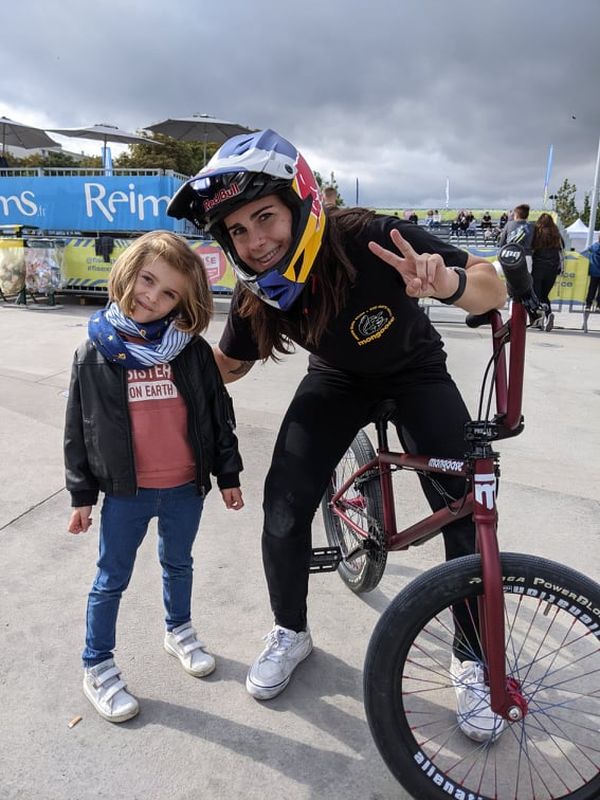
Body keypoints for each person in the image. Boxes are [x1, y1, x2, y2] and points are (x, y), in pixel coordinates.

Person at [167, 129, 507, 742]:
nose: (256, 241)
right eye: (237, 231)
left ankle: (472, 660)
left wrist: (448, 284)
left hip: (416, 371)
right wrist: (158, 369)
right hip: (337, 380)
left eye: (264, 217)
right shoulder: (259, 290)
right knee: (283, 505)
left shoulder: (368, 236)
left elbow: (494, 286)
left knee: (465, 511)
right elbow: (230, 366)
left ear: (300, 203)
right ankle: (290, 631)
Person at [64, 230, 244, 723]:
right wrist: (81, 494)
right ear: (129, 272)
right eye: (148, 281)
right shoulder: (94, 352)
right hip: (127, 494)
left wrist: (227, 473)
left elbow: (215, 414)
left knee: (179, 563)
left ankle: (179, 630)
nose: (153, 298)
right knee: (110, 580)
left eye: (169, 294)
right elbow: (78, 428)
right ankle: (96, 664)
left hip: (185, 487)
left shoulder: (190, 351)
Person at [531, 213, 564, 331]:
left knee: (537, 294)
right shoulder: (556, 234)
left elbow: (531, 248)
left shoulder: (537, 232)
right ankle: (548, 315)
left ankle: (540, 319)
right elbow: (562, 249)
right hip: (553, 268)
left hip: (538, 266)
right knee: (545, 295)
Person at [497, 204, 534, 271]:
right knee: (526, 279)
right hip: (526, 256)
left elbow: (501, 243)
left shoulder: (509, 224)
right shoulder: (532, 226)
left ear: (516, 215)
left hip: (509, 255)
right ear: (527, 216)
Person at [582, 238, 600, 313]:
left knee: (592, 288)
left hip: (594, 272)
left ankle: (588, 305)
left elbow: (583, 253)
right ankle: (598, 306)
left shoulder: (594, 246)